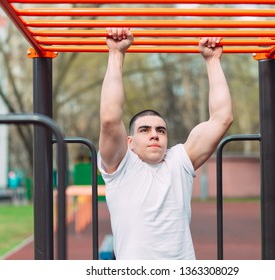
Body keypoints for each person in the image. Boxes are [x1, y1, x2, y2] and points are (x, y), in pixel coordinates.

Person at [97, 27, 233, 260]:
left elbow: (222, 118)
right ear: (129, 142)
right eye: (145, 130)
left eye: (161, 130)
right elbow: (110, 118)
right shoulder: (121, 167)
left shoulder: (178, 161)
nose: (154, 135)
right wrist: (116, 54)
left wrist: (212, 61)